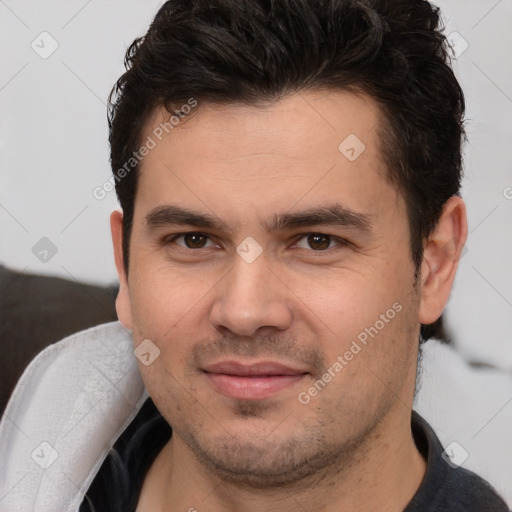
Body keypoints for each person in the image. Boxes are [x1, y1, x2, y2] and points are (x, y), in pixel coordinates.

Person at [0, 1, 508, 511]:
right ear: (125, 265)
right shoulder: (29, 425)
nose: (243, 312)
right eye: (193, 240)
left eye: (317, 241)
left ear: (435, 263)